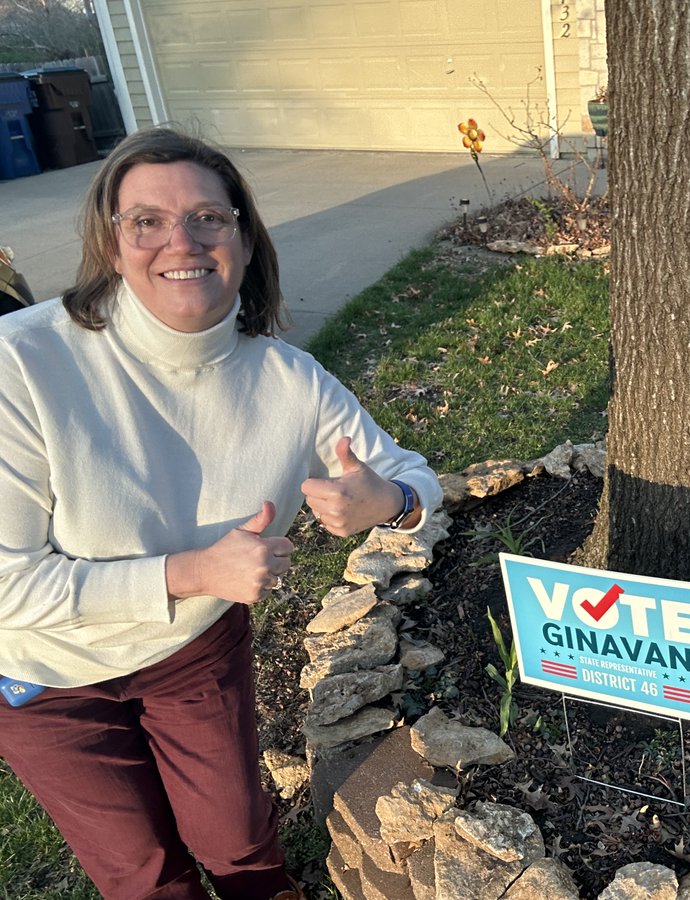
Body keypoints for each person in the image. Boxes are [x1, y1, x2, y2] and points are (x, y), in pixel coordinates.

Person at [0, 127, 443, 899]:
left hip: (193, 647)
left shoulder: (289, 382)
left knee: (237, 839)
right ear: (112, 243)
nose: (182, 241)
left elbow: (413, 477)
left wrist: (389, 501)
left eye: (208, 217)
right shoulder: (22, 361)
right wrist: (193, 572)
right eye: (148, 221)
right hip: (46, 675)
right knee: (140, 871)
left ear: (241, 236)